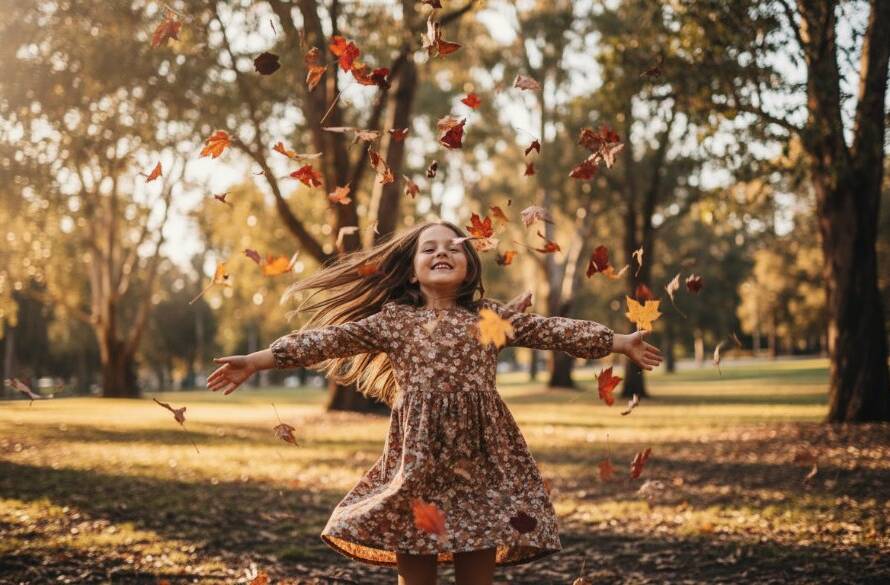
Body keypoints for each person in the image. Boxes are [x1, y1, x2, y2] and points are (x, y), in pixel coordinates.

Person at [206, 221, 662, 585]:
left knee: (476, 553)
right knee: (415, 557)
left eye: (454, 247)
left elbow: (552, 330)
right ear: (410, 270)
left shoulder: (490, 318)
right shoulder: (394, 322)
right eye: (429, 248)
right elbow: (325, 341)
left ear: (470, 267)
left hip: (482, 457)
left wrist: (619, 341)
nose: (442, 252)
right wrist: (256, 360)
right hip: (417, 458)